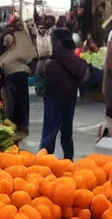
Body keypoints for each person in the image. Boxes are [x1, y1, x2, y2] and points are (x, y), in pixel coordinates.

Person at [39, 27, 89, 160]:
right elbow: (83, 73)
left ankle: (43, 163)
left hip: (54, 97)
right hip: (69, 96)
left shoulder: (56, 54)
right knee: (66, 134)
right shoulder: (70, 55)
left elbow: (41, 73)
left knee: (49, 133)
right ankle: (68, 161)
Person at [0, 19, 36, 136]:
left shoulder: (10, 36)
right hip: (22, 71)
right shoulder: (25, 37)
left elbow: (5, 45)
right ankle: (24, 126)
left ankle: (16, 125)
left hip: (12, 71)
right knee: (23, 101)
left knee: (14, 101)